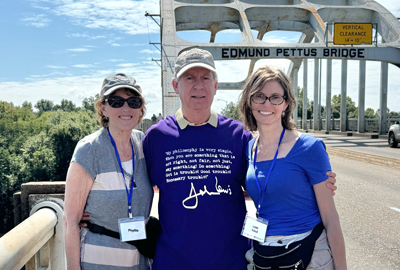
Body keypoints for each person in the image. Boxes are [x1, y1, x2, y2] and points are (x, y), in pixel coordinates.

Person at [142, 48, 337, 270]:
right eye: (189, 78)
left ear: (215, 85)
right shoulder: (156, 138)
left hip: (232, 261)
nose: (199, 85)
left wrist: (315, 185)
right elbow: (133, 185)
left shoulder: (238, 136)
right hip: (173, 262)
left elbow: (265, 182)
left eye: (206, 78)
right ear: (175, 85)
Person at [239, 66, 346, 270]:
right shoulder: (250, 148)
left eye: (275, 97)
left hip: (309, 253)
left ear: (286, 103)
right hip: (266, 253)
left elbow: (330, 217)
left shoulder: (309, 148)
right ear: (250, 102)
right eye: (259, 96)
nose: (267, 103)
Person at [64, 73, 154, 270]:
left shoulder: (143, 144)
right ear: (103, 108)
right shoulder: (89, 149)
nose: (125, 108)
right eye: (116, 101)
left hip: (140, 261)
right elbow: (70, 221)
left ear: (141, 109)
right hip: (99, 261)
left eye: (133, 101)